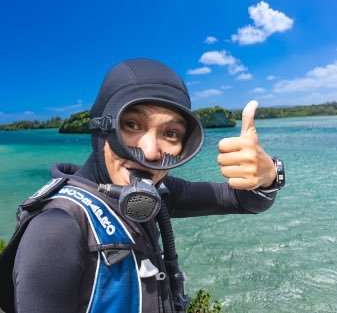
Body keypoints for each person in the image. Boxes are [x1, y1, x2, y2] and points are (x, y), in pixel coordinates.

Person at [0, 58, 285, 313]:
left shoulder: (159, 194)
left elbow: (244, 200)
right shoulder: (57, 229)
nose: (151, 152)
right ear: (102, 129)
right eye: (133, 125)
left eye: (171, 133)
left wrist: (269, 174)